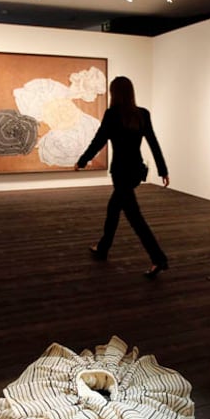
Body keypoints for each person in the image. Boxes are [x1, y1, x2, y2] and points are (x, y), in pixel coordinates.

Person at [74, 76, 169, 278]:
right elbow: (153, 142)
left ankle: (158, 259)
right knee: (113, 208)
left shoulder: (112, 114)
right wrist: (163, 170)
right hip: (136, 171)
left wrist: (82, 161)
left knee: (135, 218)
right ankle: (102, 247)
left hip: (120, 172)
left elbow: (98, 141)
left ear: (114, 93)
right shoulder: (142, 114)